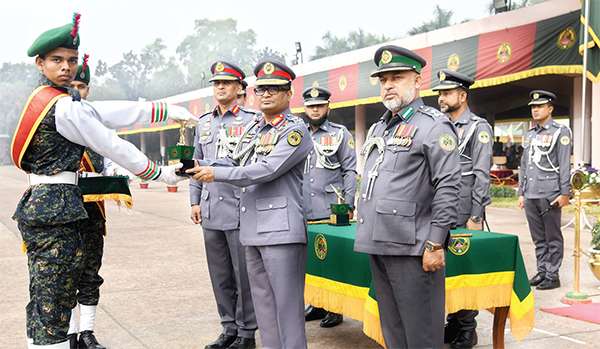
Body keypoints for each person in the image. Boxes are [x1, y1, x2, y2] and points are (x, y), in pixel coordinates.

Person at [12, 15, 197, 348]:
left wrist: (163, 110)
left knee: (45, 297)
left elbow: (106, 112)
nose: (67, 67)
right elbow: (111, 143)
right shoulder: (63, 107)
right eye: (57, 60)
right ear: (40, 63)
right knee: (54, 303)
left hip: (44, 206)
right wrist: (158, 172)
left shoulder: (49, 100)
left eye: (70, 60)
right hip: (58, 211)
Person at [187, 60, 312, 349]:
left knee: (287, 310)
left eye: (274, 89)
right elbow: (235, 159)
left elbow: (266, 169)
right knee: (265, 309)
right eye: (262, 89)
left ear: (289, 93)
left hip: (281, 232)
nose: (266, 95)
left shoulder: (294, 130)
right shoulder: (256, 128)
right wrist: (198, 164)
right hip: (253, 229)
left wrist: (216, 173)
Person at [353, 45, 461, 348]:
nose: (388, 85)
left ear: (417, 81)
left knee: (422, 334)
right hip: (380, 241)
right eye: (383, 79)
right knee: (393, 332)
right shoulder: (381, 127)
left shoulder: (433, 125)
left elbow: (449, 185)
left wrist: (436, 241)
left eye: (397, 77)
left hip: (414, 247)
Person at [189, 60, 258, 349]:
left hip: (238, 206)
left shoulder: (252, 120)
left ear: (239, 87)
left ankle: (246, 331)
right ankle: (228, 327)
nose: (220, 88)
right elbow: (193, 164)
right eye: (216, 83)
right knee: (219, 274)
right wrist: (195, 201)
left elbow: (250, 164)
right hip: (210, 209)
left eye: (226, 83)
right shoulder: (203, 122)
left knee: (243, 274)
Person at [434, 69, 493, 349]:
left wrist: (476, 216)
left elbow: (481, 174)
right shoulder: (437, 125)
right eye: (439, 94)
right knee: (444, 271)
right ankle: (453, 323)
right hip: (438, 211)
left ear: (462, 95)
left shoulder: (477, 127)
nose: (441, 98)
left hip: (463, 212)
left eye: (446, 93)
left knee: (463, 270)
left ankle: (468, 328)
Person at [301, 86, 357, 328]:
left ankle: (336, 308)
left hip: (331, 208)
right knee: (310, 259)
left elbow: (350, 170)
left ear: (328, 107)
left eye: (320, 105)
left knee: (332, 260)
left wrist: (348, 203)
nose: (315, 109)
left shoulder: (340, 133)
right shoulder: (296, 133)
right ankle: (317, 302)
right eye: (311, 106)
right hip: (302, 207)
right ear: (304, 108)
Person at [66, 55, 107, 349]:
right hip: (62, 212)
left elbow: (101, 163)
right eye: (72, 84)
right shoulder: (54, 118)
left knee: (90, 272)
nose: (76, 89)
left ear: (88, 89)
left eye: (81, 85)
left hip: (91, 211)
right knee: (64, 273)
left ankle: (88, 333)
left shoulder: (95, 123)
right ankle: (69, 332)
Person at [518, 90, 572, 291]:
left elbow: (565, 164)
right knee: (538, 238)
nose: (535, 110)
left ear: (550, 108)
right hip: (531, 192)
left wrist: (564, 192)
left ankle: (553, 274)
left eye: (540, 106)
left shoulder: (560, 131)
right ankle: (542, 271)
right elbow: (524, 164)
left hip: (550, 193)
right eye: (533, 106)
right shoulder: (531, 134)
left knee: (552, 237)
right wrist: (521, 191)